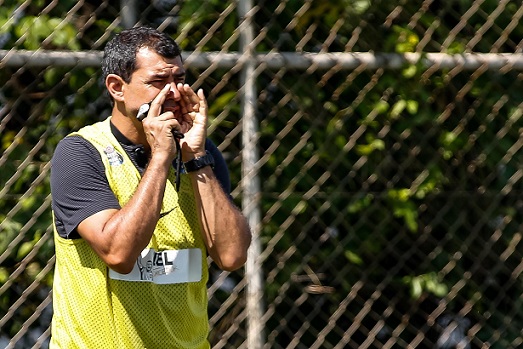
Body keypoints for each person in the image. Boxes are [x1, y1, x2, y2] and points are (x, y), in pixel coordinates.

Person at [49, 26, 252, 348]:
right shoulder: (82, 152)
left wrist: (196, 156)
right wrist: (161, 157)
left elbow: (231, 255)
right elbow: (118, 253)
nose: (173, 93)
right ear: (117, 87)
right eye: (158, 81)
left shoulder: (200, 153)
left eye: (179, 79)